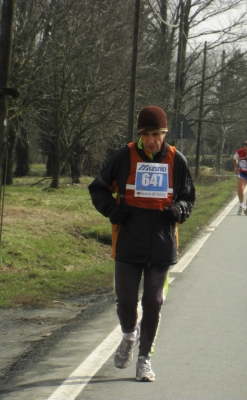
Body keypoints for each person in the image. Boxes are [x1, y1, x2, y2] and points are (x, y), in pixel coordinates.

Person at [88, 105, 195, 382]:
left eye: (157, 134)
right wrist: (112, 210)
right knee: (125, 301)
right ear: (139, 135)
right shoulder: (124, 157)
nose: (151, 140)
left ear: (165, 134)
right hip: (128, 241)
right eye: (146, 134)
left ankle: (145, 359)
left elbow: (188, 197)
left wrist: (180, 210)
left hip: (161, 244)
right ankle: (128, 335)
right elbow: (97, 187)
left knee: (154, 302)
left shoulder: (177, 160)